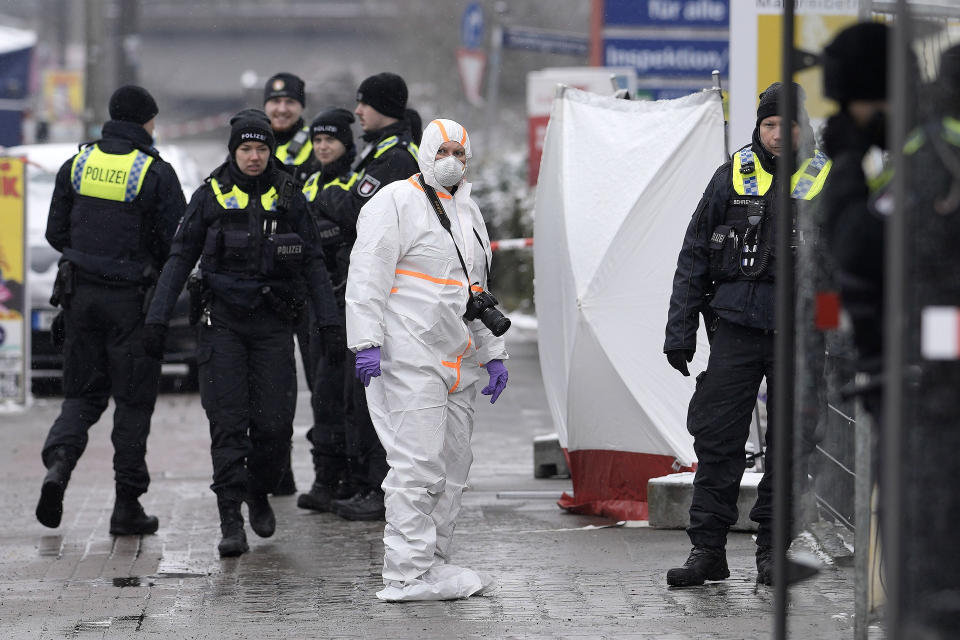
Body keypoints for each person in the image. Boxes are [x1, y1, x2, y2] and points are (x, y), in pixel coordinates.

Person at [143, 114, 341, 557]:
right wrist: (157, 319)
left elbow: (312, 263)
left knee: (274, 427)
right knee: (228, 424)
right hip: (222, 327)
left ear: (271, 152)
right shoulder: (210, 195)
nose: (254, 157)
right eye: (246, 149)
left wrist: (329, 324)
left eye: (262, 149)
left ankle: (258, 489)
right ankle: (230, 519)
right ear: (233, 151)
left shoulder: (289, 195)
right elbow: (179, 258)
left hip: (273, 326)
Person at [663, 82, 831, 587]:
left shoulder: (824, 180)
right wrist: (681, 330)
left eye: (788, 124)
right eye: (770, 125)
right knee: (717, 441)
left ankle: (772, 554)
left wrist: (834, 335)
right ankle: (707, 552)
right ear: (759, 128)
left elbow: (838, 270)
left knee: (790, 445)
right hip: (735, 328)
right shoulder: (732, 176)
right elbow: (694, 254)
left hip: (800, 335)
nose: (779, 134)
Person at [822, 25, 960, 636]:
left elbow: (861, 248)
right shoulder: (918, 148)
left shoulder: (932, 156)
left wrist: (847, 168)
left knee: (926, 556)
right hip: (914, 381)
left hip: (933, 393)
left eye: (849, 105)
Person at [347, 117, 509, 601]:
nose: (452, 161)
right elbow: (367, 275)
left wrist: (492, 353)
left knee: (454, 468)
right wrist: (366, 341)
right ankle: (404, 573)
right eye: (443, 152)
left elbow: (474, 290)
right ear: (425, 153)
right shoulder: (395, 202)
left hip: (457, 356)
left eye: (461, 153)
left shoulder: (470, 212)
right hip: (407, 353)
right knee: (416, 467)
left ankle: (434, 562)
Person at [35, 85, 186, 534]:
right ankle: (126, 506)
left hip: (80, 298)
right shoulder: (153, 172)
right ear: (145, 122)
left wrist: (89, 259)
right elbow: (174, 244)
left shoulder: (78, 163)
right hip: (131, 305)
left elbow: (54, 232)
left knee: (81, 397)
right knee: (133, 404)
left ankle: (58, 467)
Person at [328, 72, 422, 521]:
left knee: (373, 399)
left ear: (384, 105)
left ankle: (376, 486)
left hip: (387, 295)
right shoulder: (380, 151)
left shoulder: (395, 158)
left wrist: (326, 195)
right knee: (357, 396)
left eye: (364, 104)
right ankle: (365, 480)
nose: (358, 111)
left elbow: (353, 210)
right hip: (375, 287)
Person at [296, 108, 359, 513]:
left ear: (345, 144)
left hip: (346, 303)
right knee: (320, 394)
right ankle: (325, 475)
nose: (322, 147)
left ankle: (342, 478)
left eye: (330, 140)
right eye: (317, 141)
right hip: (311, 304)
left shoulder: (355, 184)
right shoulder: (307, 183)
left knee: (339, 394)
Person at [263, 71, 315, 495]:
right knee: (275, 387)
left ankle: (331, 472)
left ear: (301, 107)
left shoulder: (319, 144)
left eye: (289, 103)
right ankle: (278, 472)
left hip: (308, 280)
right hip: (268, 284)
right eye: (275, 102)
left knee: (321, 382)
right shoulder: (252, 144)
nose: (281, 109)